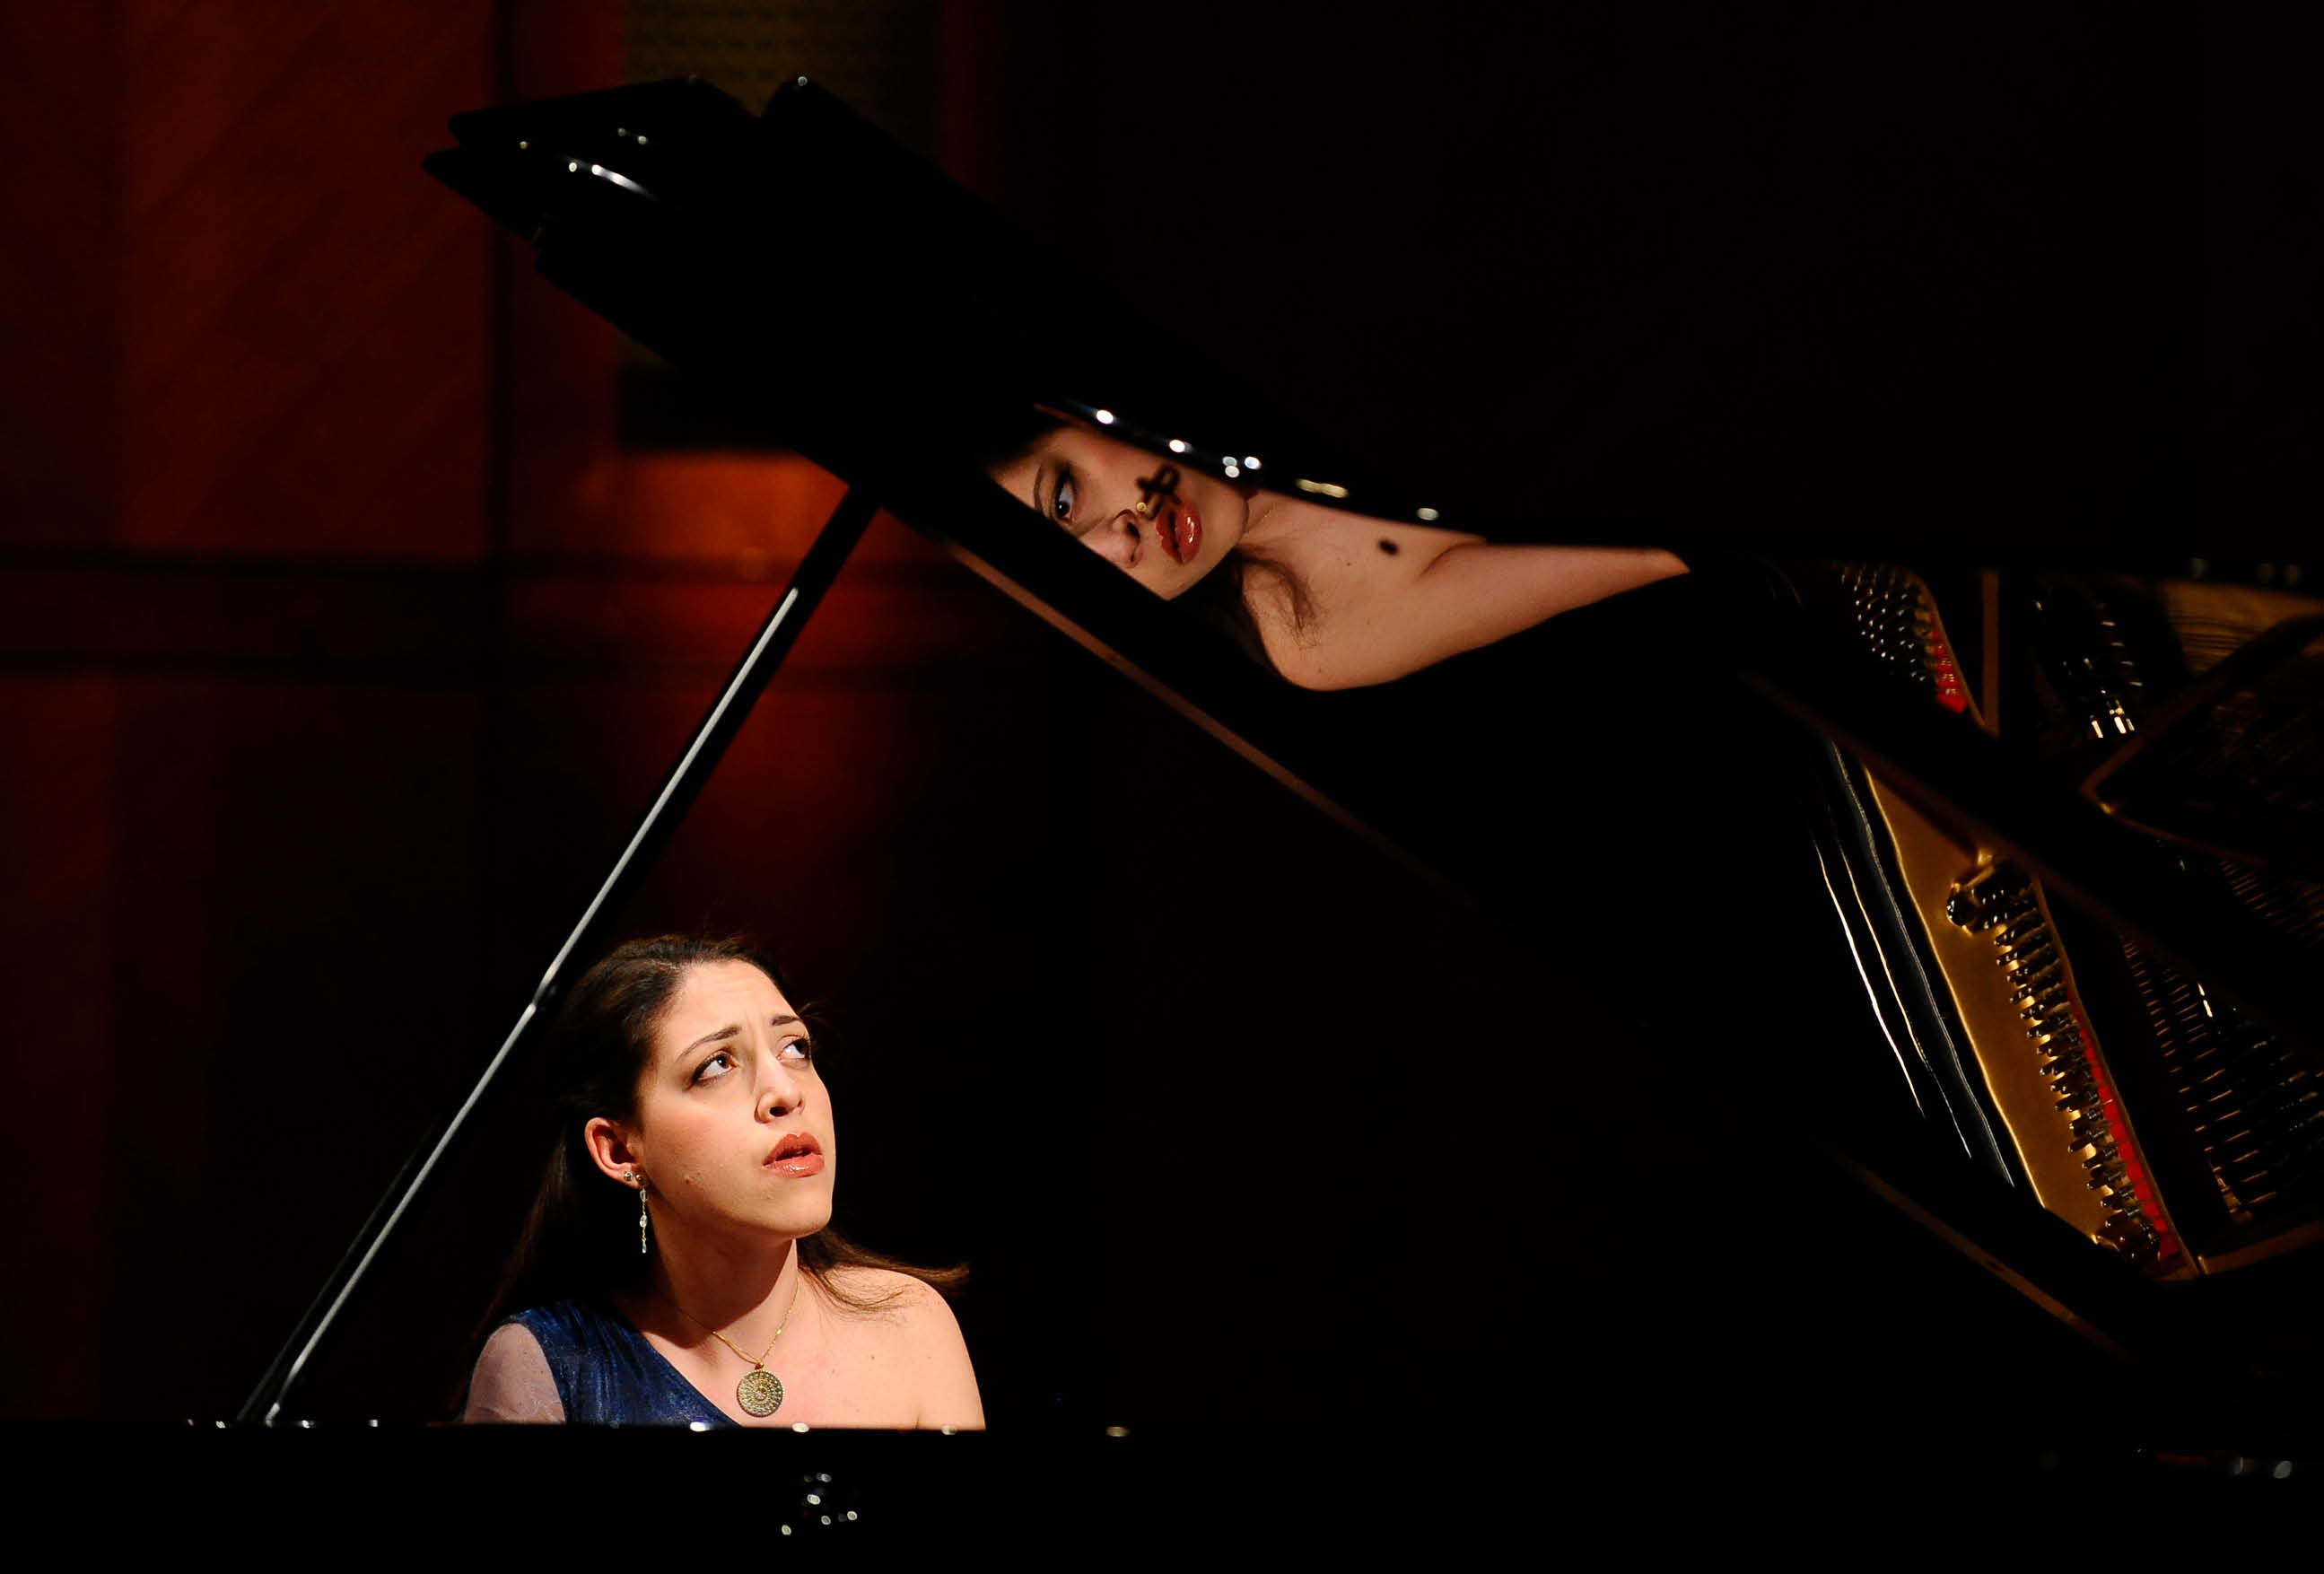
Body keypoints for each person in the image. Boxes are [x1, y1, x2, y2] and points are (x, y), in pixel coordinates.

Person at [464, 935, 983, 1428]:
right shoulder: (547, 1363)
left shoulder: (910, 1325)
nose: (785, 1091)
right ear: (621, 1150)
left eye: (795, 1048)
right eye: (716, 1064)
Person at [990, 416, 1689, 690]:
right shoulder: (1312, 635)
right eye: (1082, 583)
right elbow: (1663, 546)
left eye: (1062, 502)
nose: (1120, 544)